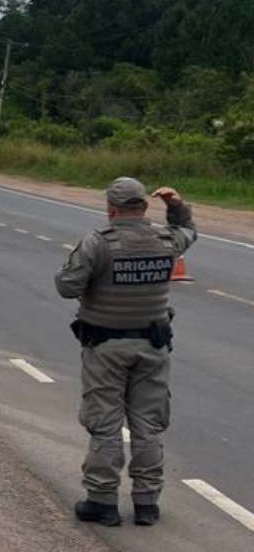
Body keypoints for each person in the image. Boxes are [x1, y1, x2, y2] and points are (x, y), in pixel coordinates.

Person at [55, 177, 197, 528]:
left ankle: (102, 501)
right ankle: (147, 503)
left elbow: (67, 286)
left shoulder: (98, 242)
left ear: (111, 209)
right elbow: (189, 231)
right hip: (153, 347)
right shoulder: (167, 240)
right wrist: (176, 206)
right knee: (148, 425)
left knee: (105, 423)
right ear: (145, 207)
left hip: (105, 347)